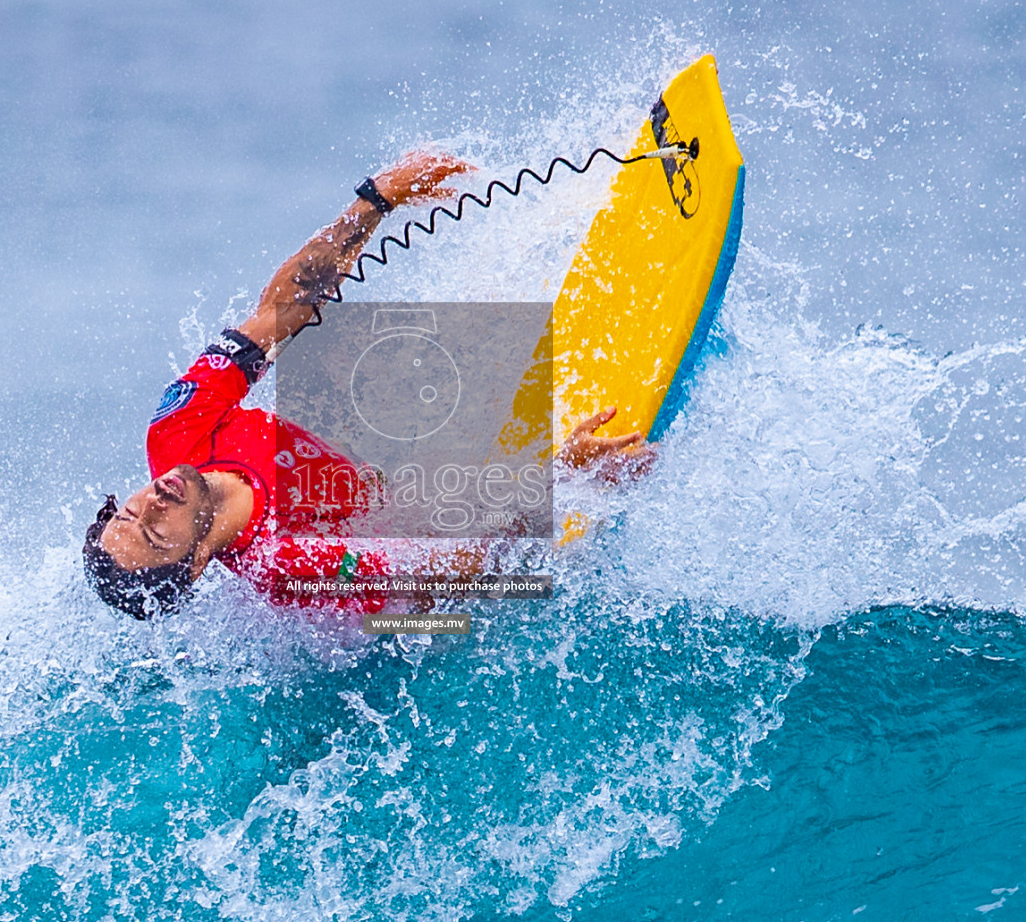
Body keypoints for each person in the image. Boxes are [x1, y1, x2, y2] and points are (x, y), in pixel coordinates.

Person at [84, 151, 652, 620]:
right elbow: (458, 568)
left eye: (128, 515)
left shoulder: (175, 435)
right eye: (157, 535)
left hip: (375, 483)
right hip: (421, 595)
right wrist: (560, 475)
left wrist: (377, 199)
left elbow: (279, 314)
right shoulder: (289, 562)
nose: (151, 505)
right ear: (197, 563)